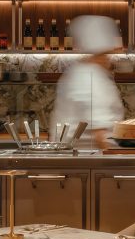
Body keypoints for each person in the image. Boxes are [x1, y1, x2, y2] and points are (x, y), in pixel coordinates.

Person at [52, 16, 123, 149]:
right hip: (85, 159)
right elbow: (100, 134)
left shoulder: (79, 72)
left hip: (77, 158)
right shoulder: (90, 78)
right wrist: (119, 164)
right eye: (109, 53)